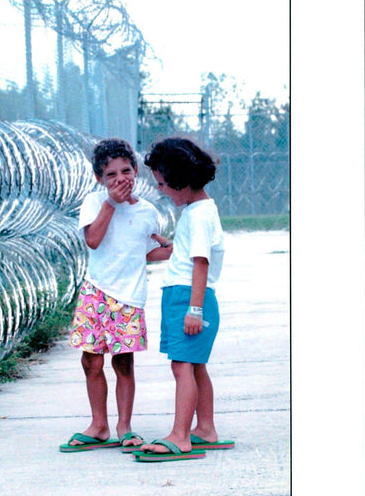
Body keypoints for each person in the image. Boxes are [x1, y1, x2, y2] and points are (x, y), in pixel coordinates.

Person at [60, 138, 172, 453]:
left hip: (128, 298)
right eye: (111, 174)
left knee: (124, 364)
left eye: (126, 171)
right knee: (91, 362)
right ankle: (99, 425)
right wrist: (111, 202)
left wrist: (180, 250)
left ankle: (125, 426)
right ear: (100, 178)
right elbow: (93, 240)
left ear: (136, 171)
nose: (120, 179)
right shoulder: (94, 203)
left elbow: (147, 252)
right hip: (96, 292)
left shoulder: (148, 211)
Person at [132, 136, 235, 463]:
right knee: (195, 367)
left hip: (189, 299)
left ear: (182, 181)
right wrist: (172, 245)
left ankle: (180, 436)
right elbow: (192, 253)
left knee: (182, 366)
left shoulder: (199, 215)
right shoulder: (197, 211)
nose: (160, 189)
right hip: (187, 296)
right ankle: (205, 429)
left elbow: (201, 262)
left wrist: (193, 309)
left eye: (163, 183)